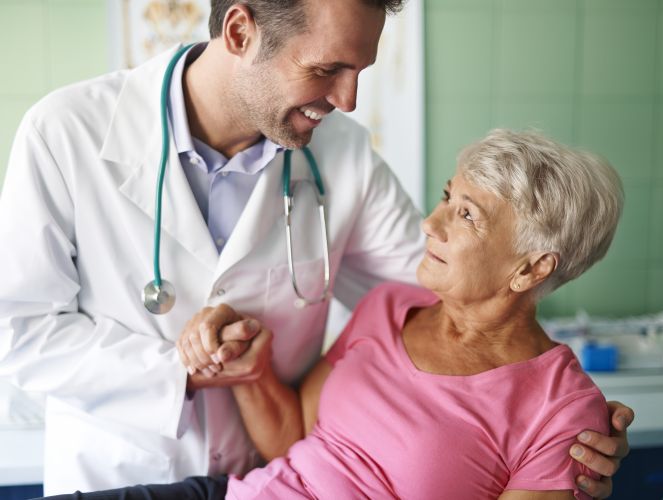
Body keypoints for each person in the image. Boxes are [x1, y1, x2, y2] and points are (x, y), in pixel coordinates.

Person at [0, 0, 629, 497]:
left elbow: (467, 293)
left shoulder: (342, 153)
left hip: (261, 473)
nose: (348, 100)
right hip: (120, 466)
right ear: (241, 32)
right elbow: (19, 333)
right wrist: (183, 369)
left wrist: (566, 430)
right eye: (327, 69)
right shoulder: (67, 132)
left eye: (359, 72)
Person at [40, 129, 627, 500]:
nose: (431, 223)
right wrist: (248, 366)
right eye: (448, 197)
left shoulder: (562, 411)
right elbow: (293, 437)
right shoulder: (390, 306)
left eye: (467, 215)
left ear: (531, 269)